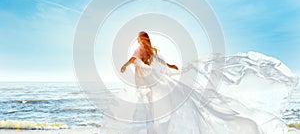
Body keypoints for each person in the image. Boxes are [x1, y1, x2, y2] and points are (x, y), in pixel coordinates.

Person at [102, 31, 297, 134]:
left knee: (182, 101)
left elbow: (162, 61)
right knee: (151, 108)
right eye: (140, 39)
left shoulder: (153, 51)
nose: (141, 42)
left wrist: (171, 66)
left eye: (142, 39)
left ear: (146, 39)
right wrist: (125, 66)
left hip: (155, 81)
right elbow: (132, 59)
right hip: (147, 82)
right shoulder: (138, 51)